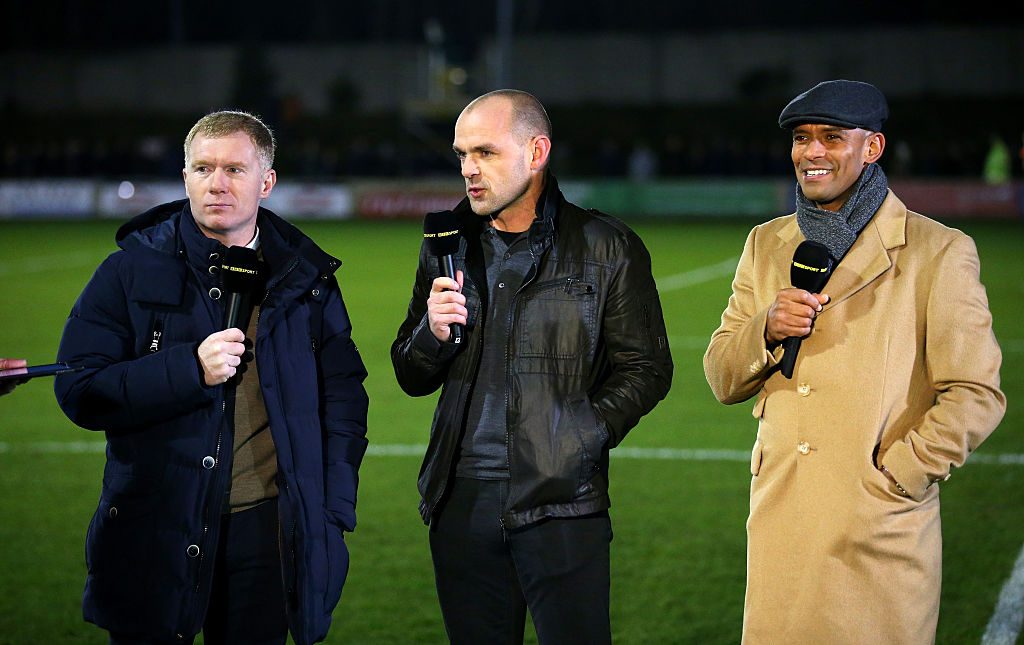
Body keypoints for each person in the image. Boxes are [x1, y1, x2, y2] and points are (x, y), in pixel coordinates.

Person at [703, 80, 1006, 644]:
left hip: (876, 529)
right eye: (801, 139)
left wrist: (898, 476)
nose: (811, 152)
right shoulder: (765, 244)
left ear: (872, 148)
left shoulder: (937, 251)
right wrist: (765, 328)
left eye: (831, 138)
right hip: (782, 521)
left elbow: (975, 393)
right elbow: (721, 375)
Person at [54, 111, 369, 645]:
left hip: (268, 532)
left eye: (234, 169)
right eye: (202, 168)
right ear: (184, 177)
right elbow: (79, 389)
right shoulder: (127, 272)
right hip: (154, 524)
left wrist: (331, 510)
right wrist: (188, 370)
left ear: (266, 181)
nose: (216, 183)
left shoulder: (307, 281)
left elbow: (343, 399)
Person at [391, 89, 673, 644]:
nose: (469, 170)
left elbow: (647, 368)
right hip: (460, 500)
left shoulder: (606, 246)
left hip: (562, 500)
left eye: (486, 153)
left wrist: (580, 437)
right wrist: (431, 334)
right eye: (462, 155)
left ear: (537, 151)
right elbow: (409, 374)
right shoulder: (447, 244)